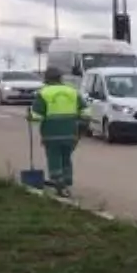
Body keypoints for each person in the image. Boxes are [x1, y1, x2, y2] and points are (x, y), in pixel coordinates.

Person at [29, 66, 87, 197]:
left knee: (54, 158)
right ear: (60, 78)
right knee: (66, 157)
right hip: (71, 133)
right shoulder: (73, 92)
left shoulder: (44, 93)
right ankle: (66, 182)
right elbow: (86, 111)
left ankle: (59, 184)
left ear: (47, 79)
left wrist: (29, 116)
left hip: (51, 133)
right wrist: (82, 127)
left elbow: (37, 116)